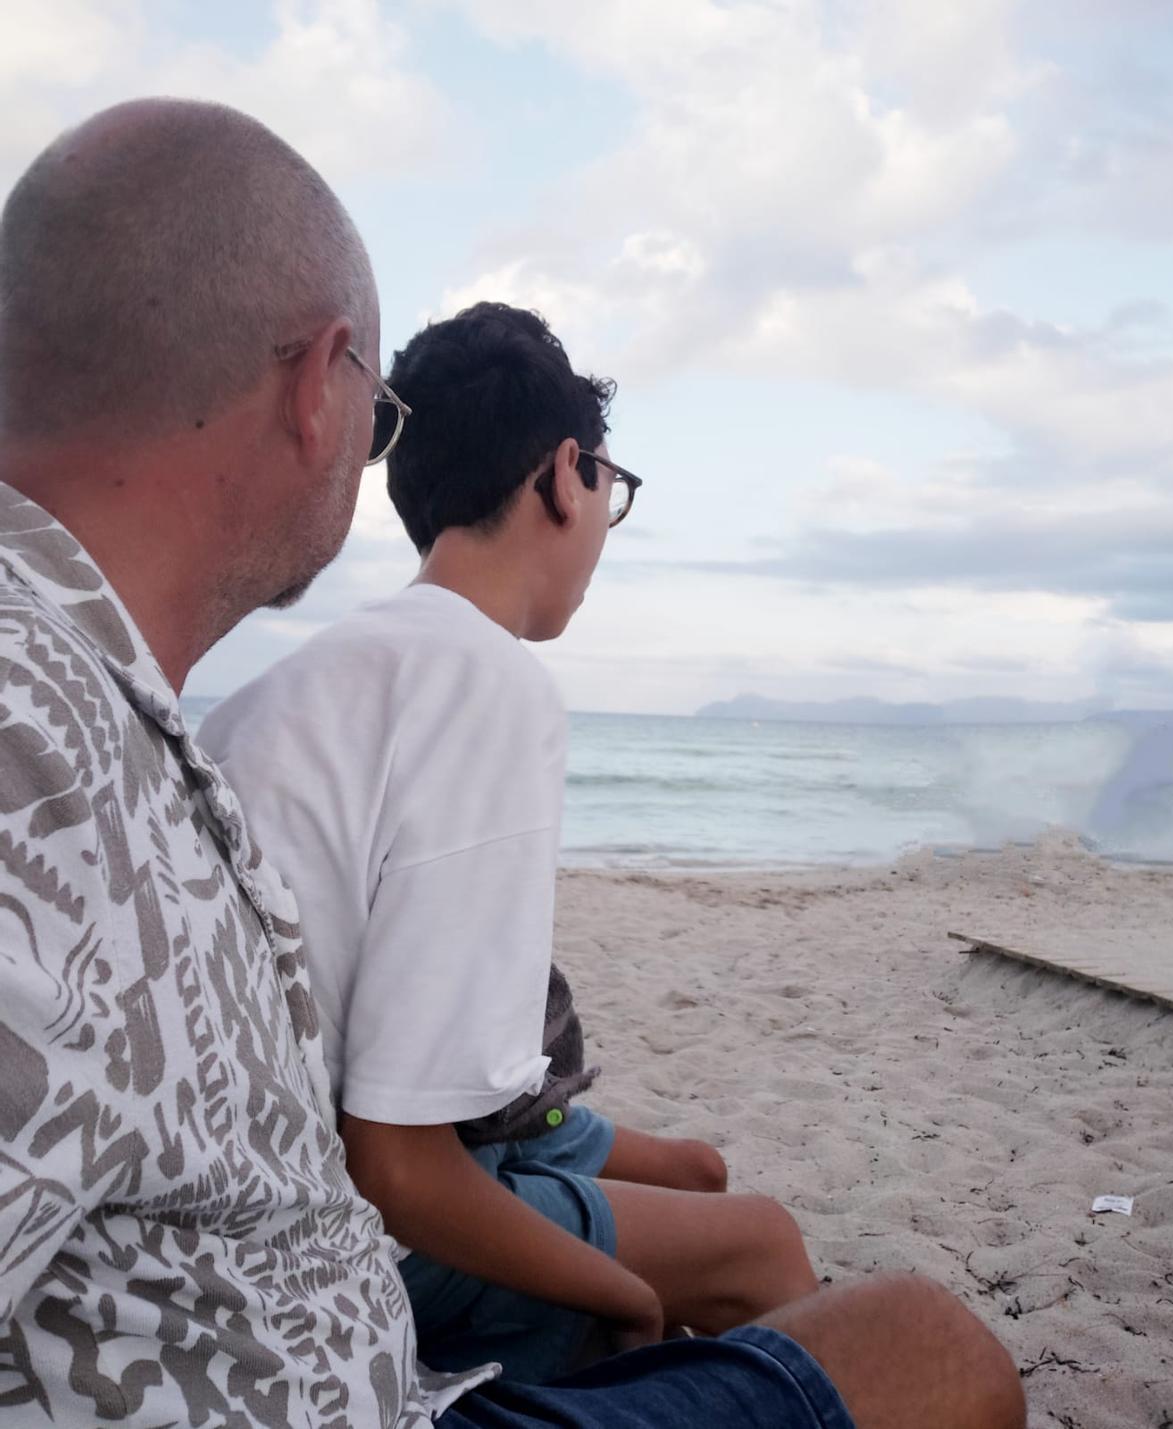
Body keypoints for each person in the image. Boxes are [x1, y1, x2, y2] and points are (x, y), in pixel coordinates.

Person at [0, 99, 1025, 1429]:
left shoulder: (150, 706)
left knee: (699, 1195)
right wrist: (618, 1292)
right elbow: (400, 1155)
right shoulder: (57, 724)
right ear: (321, 386)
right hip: (358, 1326)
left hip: (330, 1307)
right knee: (924, 1345)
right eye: (377, 410)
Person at [201, 301, 825, 1385]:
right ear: (564, 473)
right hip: (331, 1234)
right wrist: (623, 1292)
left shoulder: (293, 684)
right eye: (609, 492)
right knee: (759, 1244)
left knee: (698, 1173)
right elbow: (393, 1160)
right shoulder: (487, 685)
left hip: (244, 1173)